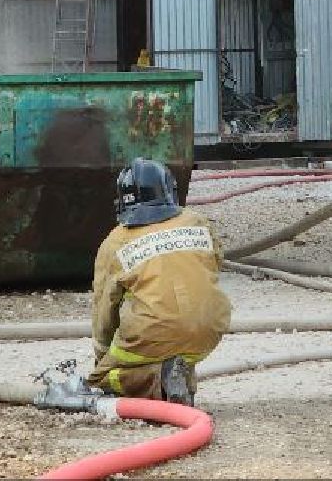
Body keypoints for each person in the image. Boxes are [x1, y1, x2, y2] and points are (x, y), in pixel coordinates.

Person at [87, 158, 232, 405]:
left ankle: (161, 381)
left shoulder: (114, 242)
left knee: (102, 380)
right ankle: (178, 378)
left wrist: (103, 357)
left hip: (154, 335)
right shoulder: (197, 221)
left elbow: (104, 310)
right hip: (210, 329)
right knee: (176, 345)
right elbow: (213, 266)